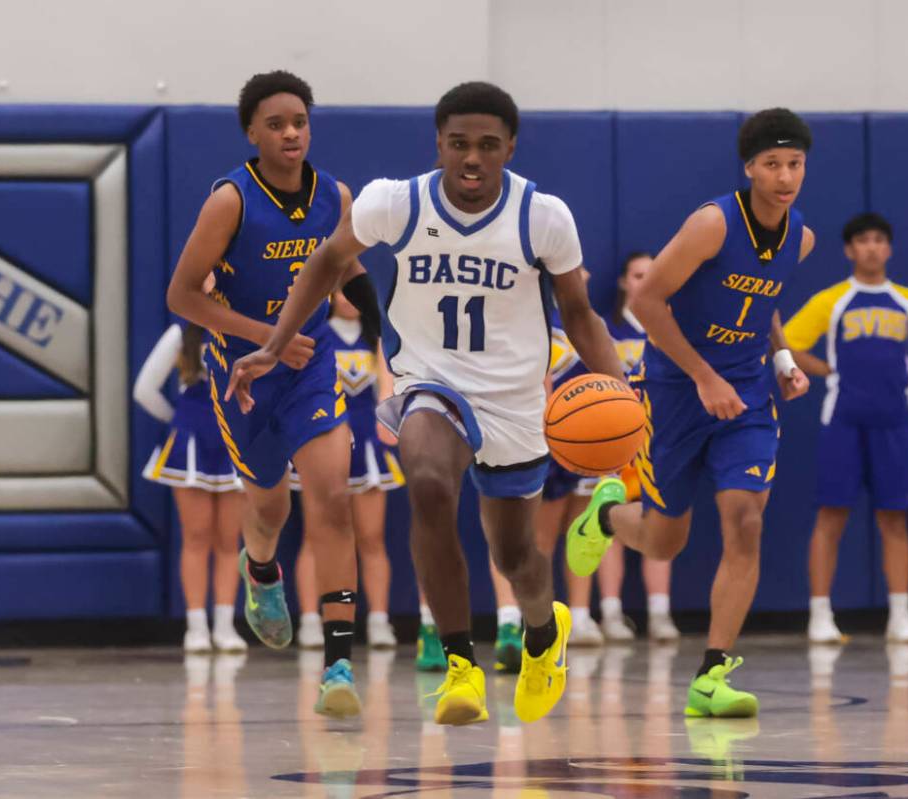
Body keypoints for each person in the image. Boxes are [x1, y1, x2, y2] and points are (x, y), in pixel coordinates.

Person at [227, 82, 625, 726]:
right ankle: (461, 665)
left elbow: (578, 315)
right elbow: (326, 262)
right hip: (430, 384)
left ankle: (543, 636)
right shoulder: (396, 203)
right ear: (438, 143)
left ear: (510, 148)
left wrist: (625, 400)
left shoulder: (542, 216)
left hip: (515, 400)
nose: (472, 158)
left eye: (488, 145)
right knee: (430, 483)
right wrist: (274, 344)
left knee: (515, 556)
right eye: (459, 143)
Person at [566, 108, 814, 718]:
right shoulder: (712, 224)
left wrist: (782, 359)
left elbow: (766, 303)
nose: (785, 177)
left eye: (796, 164)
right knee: (662, 541)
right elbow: (648, 301)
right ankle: (604, 517)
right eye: (773, 164)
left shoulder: (800, 236)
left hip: (748, 393)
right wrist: (702, 376)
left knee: (746, 523)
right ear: (750, 167)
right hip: (676, 391)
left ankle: (711, 676)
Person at [166, 70, 381, 718]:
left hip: (313, 367)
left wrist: (386, 337)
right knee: (267, 510)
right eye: (277, 123)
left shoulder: (334, 195)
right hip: (245, 375)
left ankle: (338, 661)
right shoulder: (230, 200)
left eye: (300, 121)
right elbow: (182, 297)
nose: (291, 132)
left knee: (332, 500)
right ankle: (261, 568)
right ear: (252, 133)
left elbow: (350, 268)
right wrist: (268, 337)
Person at [783, 213, 908, 645]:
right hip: (843, 420)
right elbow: (789, 341)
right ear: (849, 250)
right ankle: (819, 614)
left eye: (878, 240)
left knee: (895, 518)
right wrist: (826, 369)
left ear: (888, 249)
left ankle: (900, 614)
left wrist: (906, 372)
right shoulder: (832, 300)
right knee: (831, 515)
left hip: (894, 421)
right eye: (862, 241)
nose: (871, 247)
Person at [293, 290, 405, 650]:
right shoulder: (313, 337)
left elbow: (387, 396)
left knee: (371, 539)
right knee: (315, 537)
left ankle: (378, 620)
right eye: (341, 290)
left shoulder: (380, 341)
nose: (349, 298)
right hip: (324, 439)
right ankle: (313, 619)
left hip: (368, 445)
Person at [134, 320, 247, 654]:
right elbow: (144, 389)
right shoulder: (180, 334)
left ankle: (226, 627)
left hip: (233, 443)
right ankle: (196, 627)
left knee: (230, 540)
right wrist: (179, 422)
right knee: (196, 537)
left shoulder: (246, 328)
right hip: (191, 448)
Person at [596, 252, 679, 643]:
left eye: (652, 274)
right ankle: (611, 612)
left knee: (659, 519)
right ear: (625, 282)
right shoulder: (604, 331)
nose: (645, 280)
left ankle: (660, 612)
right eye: (638, 275)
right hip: (614, 439)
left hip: (660, 437)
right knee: (610, 521)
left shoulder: (670, 329)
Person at [535, 269, 604, 647]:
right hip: (546, 436)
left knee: (584, 533)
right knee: (541, 536)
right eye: (576, 270)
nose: (584, 274)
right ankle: (542, 616)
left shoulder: (591, 323)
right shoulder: (534, 319)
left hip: (591, 438)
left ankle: (579, 615)